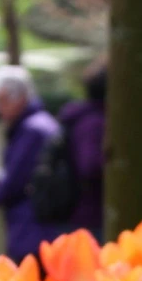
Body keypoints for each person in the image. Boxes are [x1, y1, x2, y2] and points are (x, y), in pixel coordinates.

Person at [0, 64, 64, 264]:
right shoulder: (44, 122)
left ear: (18, 97)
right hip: (48, 228)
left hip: (33, 232)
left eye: (0, 101)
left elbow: (14, 184)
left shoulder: (31, 131)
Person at [55, 61, 106, 239]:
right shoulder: (94, 122)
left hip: (82, 214)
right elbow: (90, 165)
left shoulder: (85, 117)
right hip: (89, 217)